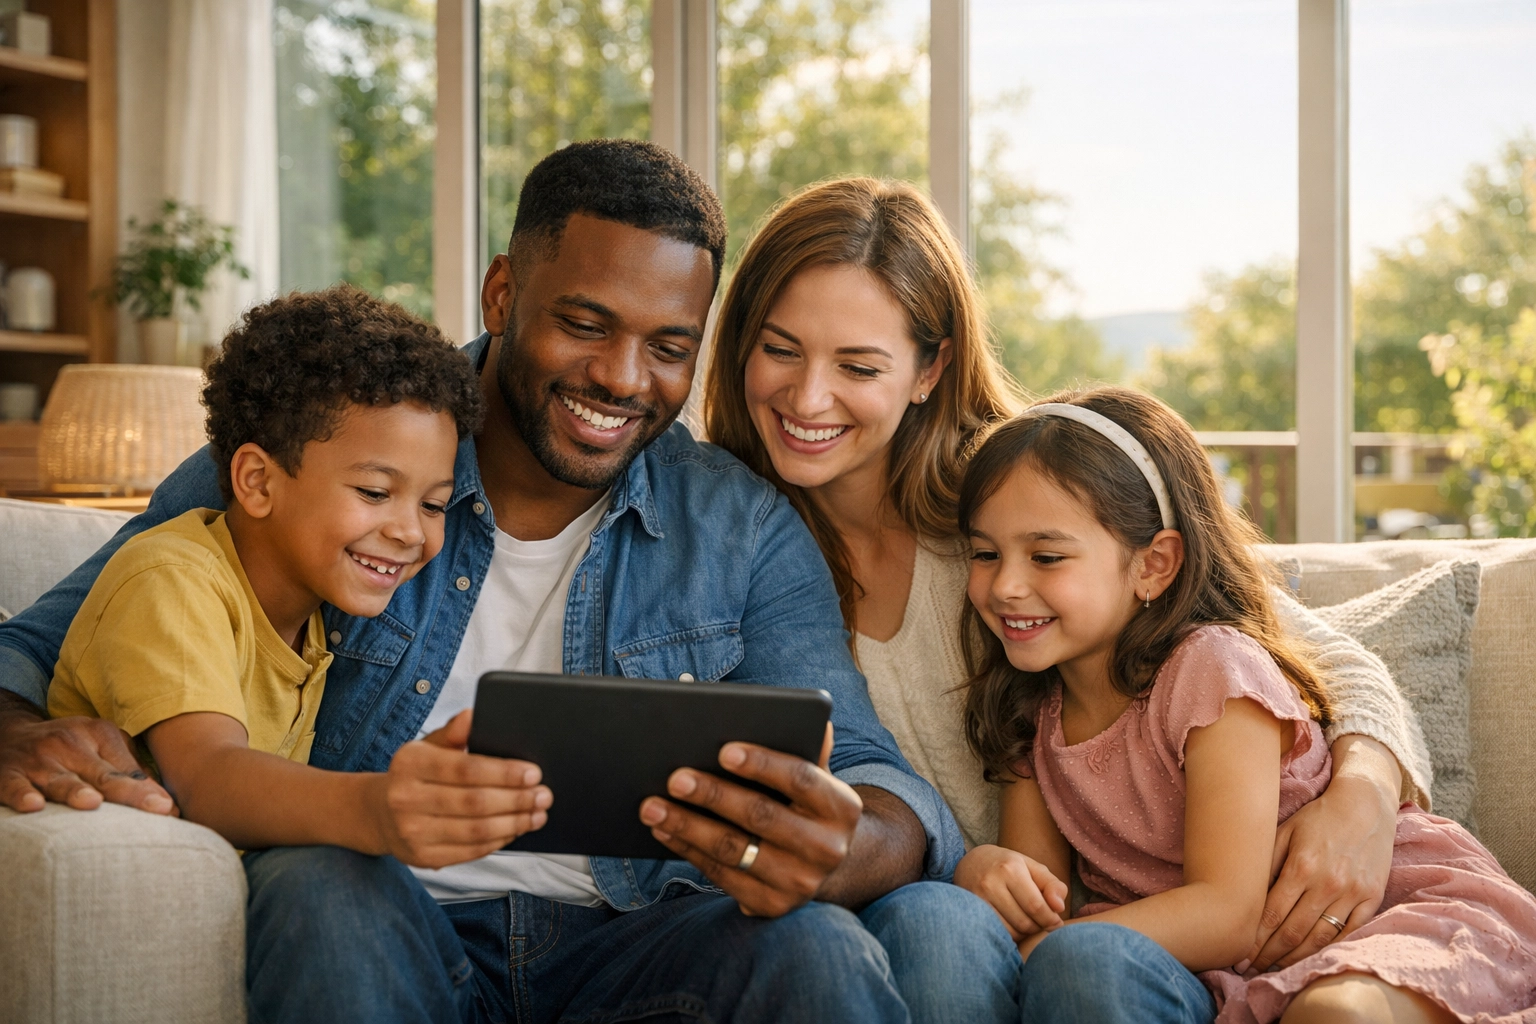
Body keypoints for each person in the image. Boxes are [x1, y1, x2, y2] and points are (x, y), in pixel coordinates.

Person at [0, 140, 964, 1024]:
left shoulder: (741, 524)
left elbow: (876, 782)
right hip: (386, 911)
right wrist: (17, 732)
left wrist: (838, 849)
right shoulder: (330, 444)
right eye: (584, 324)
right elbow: (39, 648)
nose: (623, 377)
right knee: (318, 884)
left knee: (814, 946)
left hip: (635, 944)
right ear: (502, 293)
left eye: (669, 348)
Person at [703, 177, 1438, 1022]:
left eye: (858, 366)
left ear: (929, 369)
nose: (807, 397)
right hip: (913, 916)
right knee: (935, 922)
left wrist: (1363, 794)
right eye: (780, 349)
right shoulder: (723, 544)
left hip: (1114, 942)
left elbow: (1304, 652)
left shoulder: (1019, 500)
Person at [955, 386, 1536, 1023]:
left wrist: (1049, 947)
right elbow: (1042, 907)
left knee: (1334, 1014)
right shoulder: (1029, 712)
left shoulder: (1210, 670)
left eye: (1046, 556)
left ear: (1154, 565)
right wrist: (987, 872)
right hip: (1229, 967)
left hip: (1386, 915)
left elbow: (1227, 912)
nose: (1005, 585)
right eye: (985, 554)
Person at [47, 287, 512, 858]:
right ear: (258, 482)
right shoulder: (172, 581)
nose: (411, 532)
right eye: (374, 492)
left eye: (434, 504)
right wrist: (377, 807)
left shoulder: (307, 620)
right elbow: (208, 778)